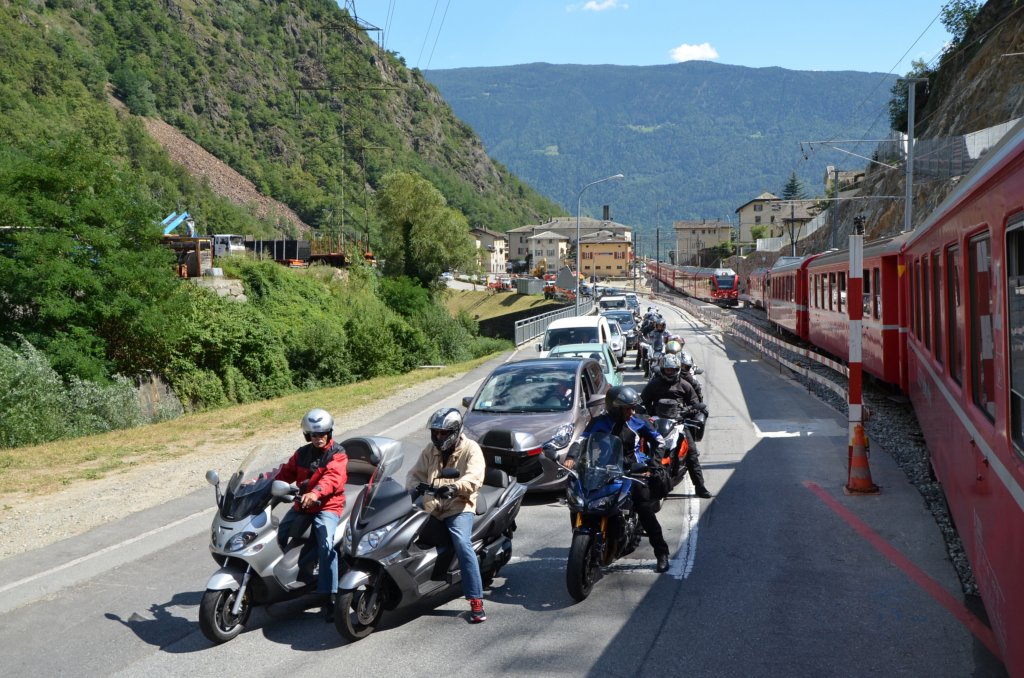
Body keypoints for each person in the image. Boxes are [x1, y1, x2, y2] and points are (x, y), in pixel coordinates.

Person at [563, 386, 672, 573]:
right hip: (603, 468)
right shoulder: (599, 422)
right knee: (580, 501)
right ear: (614, 408)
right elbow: (581, 440)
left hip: (632, 470)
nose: (631, 412)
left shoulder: (638, 422)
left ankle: (661, 552)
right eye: (627, 408)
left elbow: (659, 441)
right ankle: (583, 538)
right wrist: (572, 457)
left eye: (632, 408)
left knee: (644, 508)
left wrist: (653, 465)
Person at [406, 407, 488, 623]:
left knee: (462, 543)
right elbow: (414, 475)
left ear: (455, 431)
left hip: (458, 506)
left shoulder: (471, 449)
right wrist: (414, 488)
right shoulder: (429, 450)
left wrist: (456, 487)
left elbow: (474, 477)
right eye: (436, 432)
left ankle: (476, 600)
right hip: (432, 507)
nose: (439, 437)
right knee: (405, 533)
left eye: (444, 433)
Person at [274, 408, 349, 619]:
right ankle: (277, 580)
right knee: (277, 533)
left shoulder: (338, 454)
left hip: (327, 506)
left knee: (327, 547)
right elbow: (283, 473)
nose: (319, 438)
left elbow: (333, 479)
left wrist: (315, 493)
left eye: (323, 433)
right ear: (308, 435)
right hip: (303, 505)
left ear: (330, 432)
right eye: (315, 434)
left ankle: (329, 596)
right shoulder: (301, 454)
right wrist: (261, 483)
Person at [640, 355, 712, 499]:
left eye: (673, 369)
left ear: (677, 369)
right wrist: (647, 413)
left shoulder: (685, 385)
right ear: (662, 369)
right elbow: (643, 400)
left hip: (678, 422)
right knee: (640, 447)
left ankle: (700, 486)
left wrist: (689, 411)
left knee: (691, 454)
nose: (670, 372)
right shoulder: (654, 384)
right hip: (656, 422)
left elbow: (695, 402)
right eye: (667, 369)